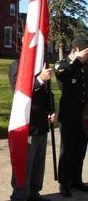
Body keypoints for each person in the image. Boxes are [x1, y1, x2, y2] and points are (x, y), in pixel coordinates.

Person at [9, 59, 55, 201]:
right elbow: (18, 89)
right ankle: (19, 196)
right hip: (27, 124)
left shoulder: (41, 64)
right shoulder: (18, 64)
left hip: (41, 122)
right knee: (24, 165)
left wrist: (51, 110)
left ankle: (34, 193)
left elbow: (47, 92)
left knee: (38, 163)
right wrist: (39, 79)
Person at [54, 37, 88, 197]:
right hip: (68, 116)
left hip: (83, 117)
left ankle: (76, 180)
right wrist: (77, 61)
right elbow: (63, 78)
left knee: (80, 149)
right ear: (75, 50)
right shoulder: (62, 64)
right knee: (67, 150)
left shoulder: (85, 66)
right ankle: (64, 183)